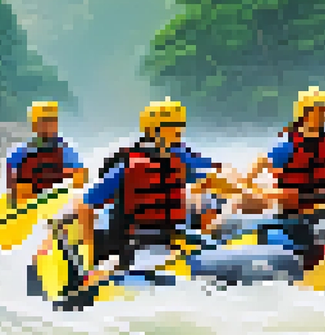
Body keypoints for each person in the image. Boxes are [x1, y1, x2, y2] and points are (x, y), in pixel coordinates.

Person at [72, 99, 230, 281]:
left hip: (172, 241)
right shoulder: (128, 167)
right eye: (173, 125)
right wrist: (88, 254)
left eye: (181, 125)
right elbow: (85, 206)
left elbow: (214, 179)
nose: (179, 130)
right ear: (154, 130)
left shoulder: (178, 163)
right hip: (135, 246)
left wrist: (241, 193)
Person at [239, 86, 325, 268]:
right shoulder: (286, 144)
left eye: (324, 110)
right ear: (304, 113)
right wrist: (247, 189)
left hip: (322, 209)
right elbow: (259, 164)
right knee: (308, 236)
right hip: (294, 215)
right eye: (317, 110)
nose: (322, 115)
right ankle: (312, 264)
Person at [4, 101, 87, 206]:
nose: (48, 125)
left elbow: (80, 177)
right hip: (29, 199)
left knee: (76, 173)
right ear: (35, 124)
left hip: (57, 199)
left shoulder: (65, 150)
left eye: (52, 121)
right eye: (43, 121)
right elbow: (11, 181)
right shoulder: (20, 152)